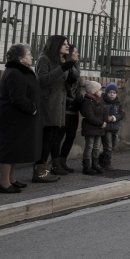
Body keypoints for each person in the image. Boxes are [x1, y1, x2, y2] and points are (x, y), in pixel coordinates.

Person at [0, 43, 41, 194]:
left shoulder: (22, 71)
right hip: (13, 117)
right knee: (9, 150)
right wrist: (32, 108)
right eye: (29, 54)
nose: (31, 57)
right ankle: (4, 183)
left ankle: (12, 179)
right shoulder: (14, 72)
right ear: (21, 58)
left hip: (20, 117)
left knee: (15, 149)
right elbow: (17, 98)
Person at [34, 35, 75, 183]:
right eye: (64, 44)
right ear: (56, 45)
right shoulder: (44, 59)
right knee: (46, 138)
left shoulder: (61, 60)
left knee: (51, 138)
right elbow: (42, 80)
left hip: (58, 104)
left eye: (67, 43)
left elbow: (60, 81)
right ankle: (39, 171)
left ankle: (44, 170)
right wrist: (62, 68)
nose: (67, 46)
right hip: (48, 104)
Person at [53, 45, 82, 174]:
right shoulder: (65, 67)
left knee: (71, 136)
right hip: (65, 107)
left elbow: (77, 88)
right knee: (58, 137)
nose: (78, 54)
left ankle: (63, 161)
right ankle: (55, 163)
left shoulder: (76, 67)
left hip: (74, 107)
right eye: (75, 52)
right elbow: (66, 86)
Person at [80, 81, 107, 175]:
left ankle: (95, 165)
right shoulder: (87, 102)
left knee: (97, 147)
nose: (101, 91)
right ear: (94, 91)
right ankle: (86, 166)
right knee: (89, 146)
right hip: (90, 128)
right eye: (99, 89)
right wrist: (100, 123)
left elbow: (104, 113)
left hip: (99, 128)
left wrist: (104, 121)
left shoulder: (99, 101)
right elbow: (89, 116)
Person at [100, 83, 125, 170]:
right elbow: (100, 113)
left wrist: (114, 117)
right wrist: (106, 118)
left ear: (116, 94)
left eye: (114, 92)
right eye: (110, 92)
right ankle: (107, 163)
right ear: (106, 93)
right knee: (108, 146)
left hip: (115, 127)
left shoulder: (118, 103)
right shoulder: (103, 102)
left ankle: (101, 158)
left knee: (113, 146)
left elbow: (122, 114)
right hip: (106, 128)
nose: (111, 94)